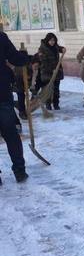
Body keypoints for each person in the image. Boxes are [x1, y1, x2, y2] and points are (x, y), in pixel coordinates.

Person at [0, 31, 29, 185]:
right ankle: (19, 171)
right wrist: (25, 56)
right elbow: (16, 58)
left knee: (12, 135)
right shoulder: (1, 37)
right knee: (11, 135)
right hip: (2, 95)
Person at [37, 33, 66, 110]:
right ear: (47, 40)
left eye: (54, 40)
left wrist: (62, 48)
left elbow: (59, 48)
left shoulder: (55, 46)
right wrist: (52, 69)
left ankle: (56, 104)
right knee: (48, 89)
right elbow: (43, 62)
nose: (52, 42)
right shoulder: (42, 49)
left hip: (56, 72)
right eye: (51, 40)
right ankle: (48, 104)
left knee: (56, 89)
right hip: (47, 73)